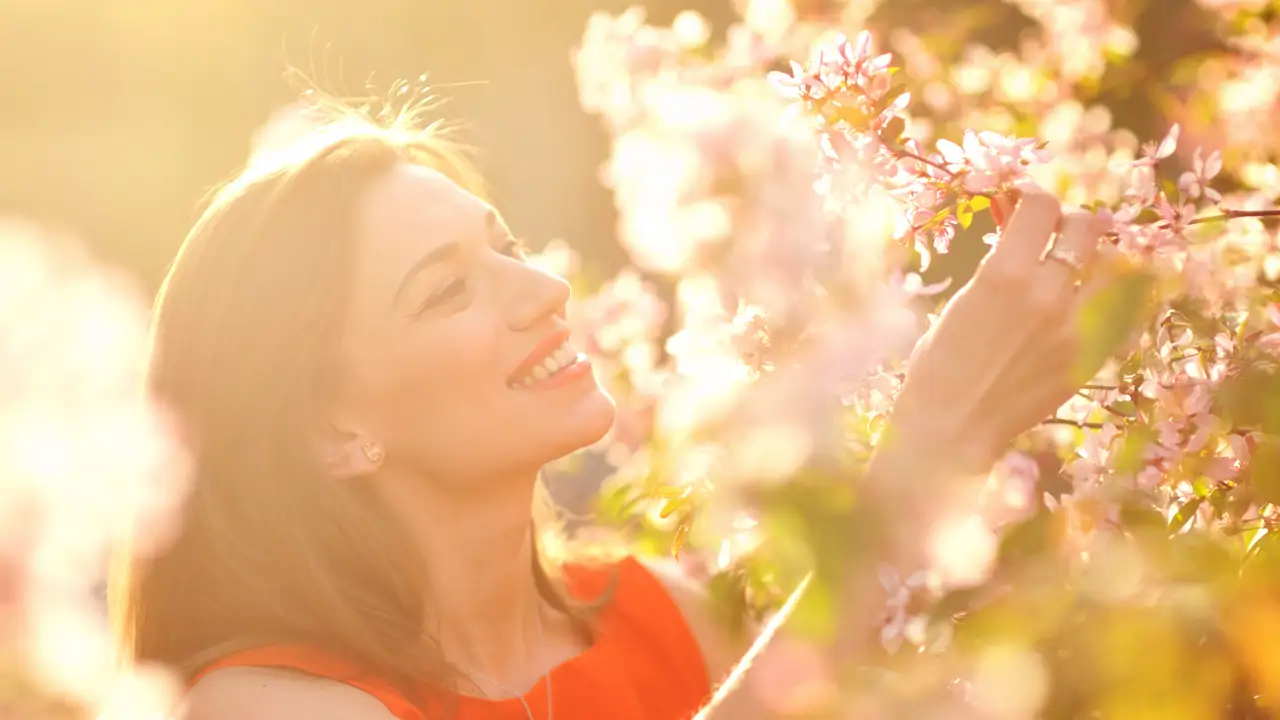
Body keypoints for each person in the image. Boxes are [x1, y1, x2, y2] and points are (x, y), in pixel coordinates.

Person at [109, 95, 1122, 720]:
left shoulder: (659, 617)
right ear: (337, 431)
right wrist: (921, 460)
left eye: (502, 246)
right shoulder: (263, 705)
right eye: (447, 290)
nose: (543, 291)